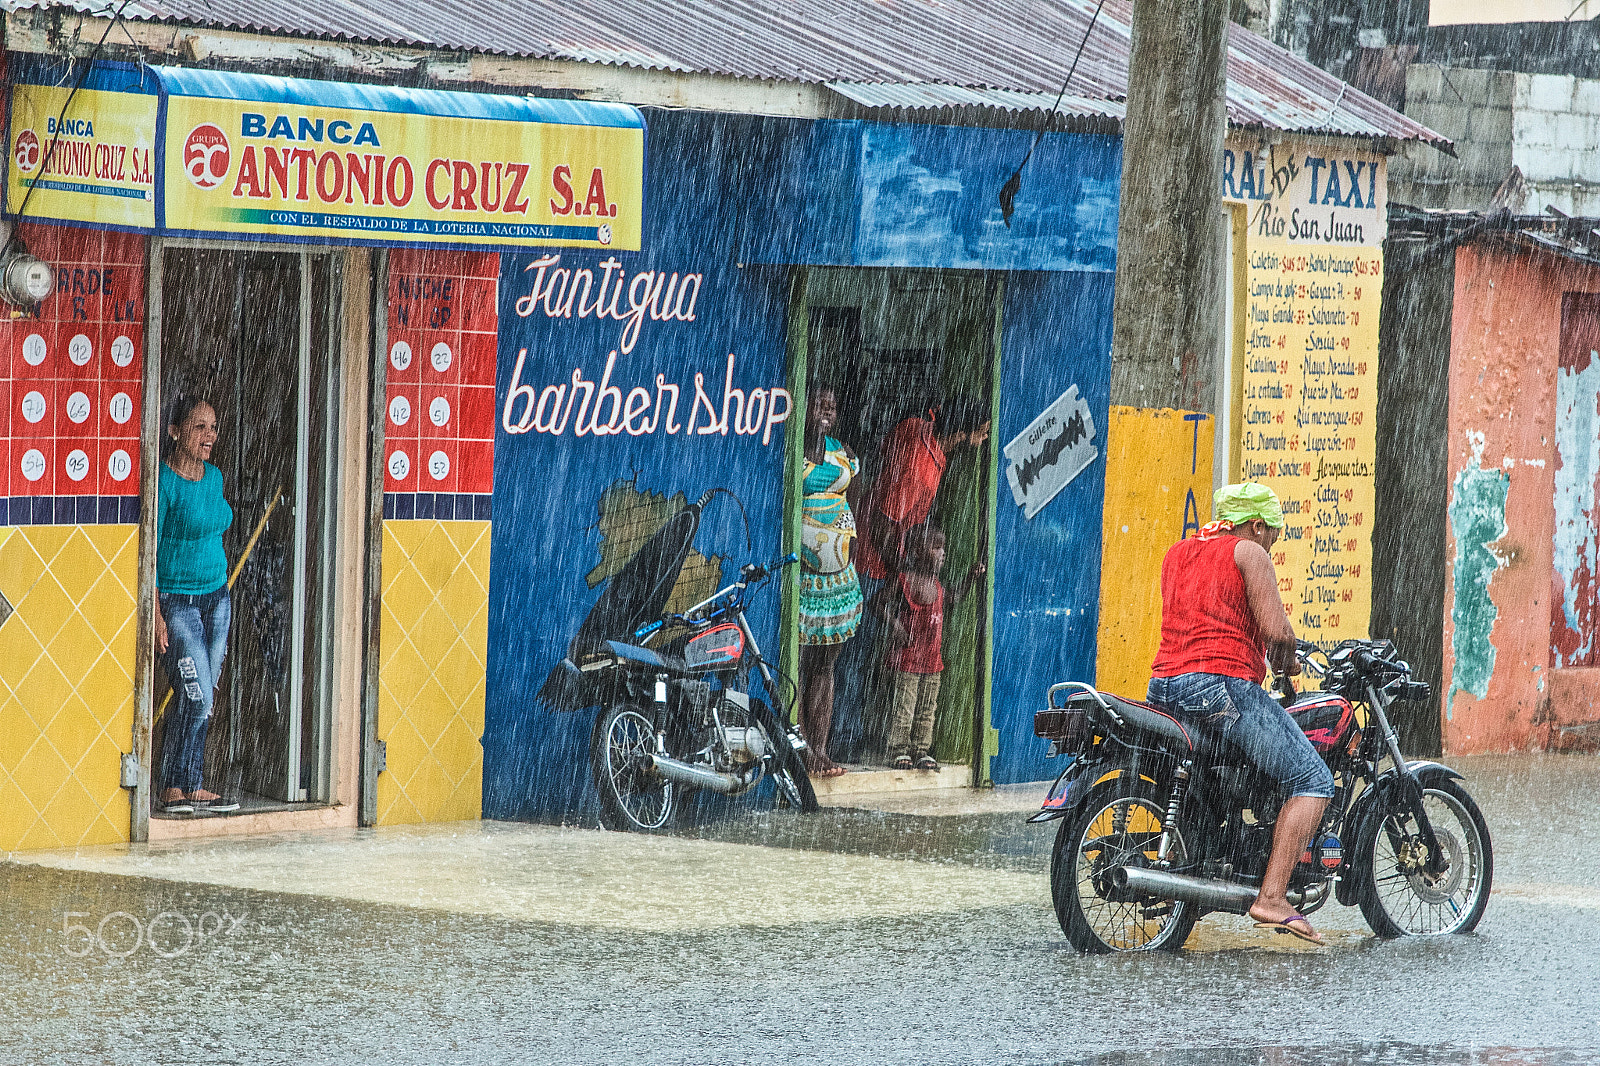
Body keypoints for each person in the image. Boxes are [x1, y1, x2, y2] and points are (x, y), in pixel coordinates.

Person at [1145, 482, 1335, 946]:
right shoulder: (1248, 552)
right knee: (1313, 780)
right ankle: (1272, 896)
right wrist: (1288, 662)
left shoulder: (1179, 551)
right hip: (1219, 683)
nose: (1272, 542)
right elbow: (1275, 630)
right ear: (1256, 525)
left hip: (1165, 685)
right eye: (1273, 532)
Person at [155, 395, 239, 815]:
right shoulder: (164, 483)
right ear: (175, 431)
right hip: (178, 601)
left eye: (213, 427)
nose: (209, 436)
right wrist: (154, 610)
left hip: (216, 597)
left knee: (203, 695)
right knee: (196, 693)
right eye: (199, 427)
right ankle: (172, 786)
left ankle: (192, 783)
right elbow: (147, 549)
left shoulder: (215, 477)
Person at [868, 522, 983, 771]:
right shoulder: (905, 580)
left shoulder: (938, 586)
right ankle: (898, 749)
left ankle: (921, 749)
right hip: (907, 659)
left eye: (943, 548)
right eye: (936, 547)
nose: (943, 553)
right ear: (918, 552)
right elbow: (876, 603)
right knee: (905, 706)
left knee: (927, 708)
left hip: (932, 661)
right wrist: (896, 625)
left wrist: (970, 577)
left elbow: (954, 598)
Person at [796, 385, 863, 778]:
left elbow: (852, 502)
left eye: (832, 407)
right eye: (819, 404)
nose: (826, 412)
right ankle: (801, 750)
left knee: (826, 666)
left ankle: (819, 750)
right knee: (802, 665)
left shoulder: (845, 454)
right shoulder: (791, 453)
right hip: (805, 582)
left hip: (837, 582)